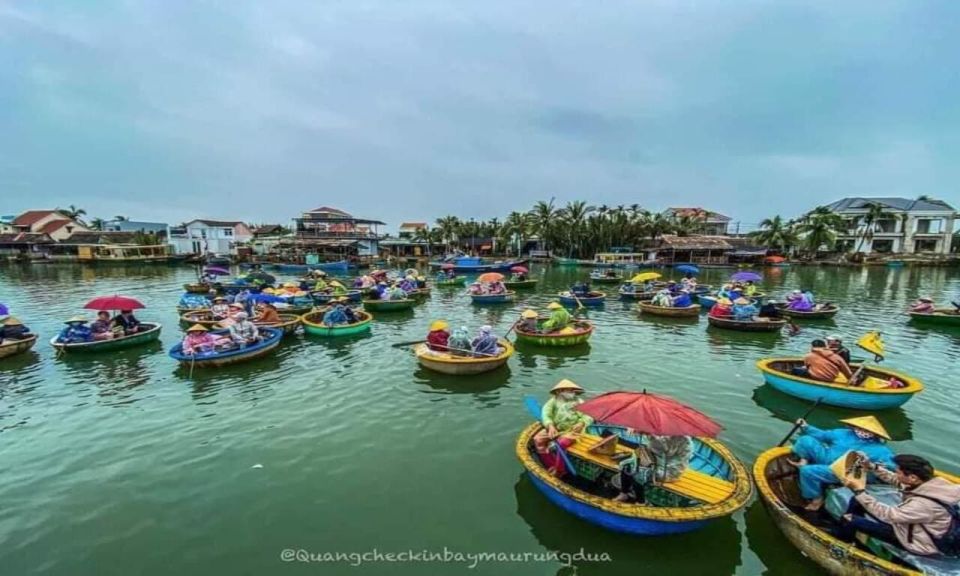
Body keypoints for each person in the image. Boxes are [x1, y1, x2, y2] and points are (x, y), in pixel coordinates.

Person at [837, 453, 960, 556]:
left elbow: (888, 515)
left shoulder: (922, 505)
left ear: (913, 477)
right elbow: (896, 480)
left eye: (898, 472)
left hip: (917, 542)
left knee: (849, 519)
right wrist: (872, 467)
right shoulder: (934, 484)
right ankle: (858, 531)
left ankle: (841, 548)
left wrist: (859, 491)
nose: (896, 474)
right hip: (913, 526)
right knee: (858, 500)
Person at [790, 415, 895, 511]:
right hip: (826, 457)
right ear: (855, 427)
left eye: (868, 430)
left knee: (807, 471)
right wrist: (806, 427)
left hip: (842, 471)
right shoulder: (843, 433)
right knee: (805, 440)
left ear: (875, 434)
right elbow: (822, 435)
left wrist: (878, 465)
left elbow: (891, 465)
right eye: (861, 428)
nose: (863, 431)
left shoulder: (881, 449)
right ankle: (804, 460)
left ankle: (816, 498)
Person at [534, 380, 594, 474]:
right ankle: (550, 464)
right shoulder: (553, 401)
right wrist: (550, 425)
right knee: (538, 440)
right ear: (559, 391)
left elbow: (589, 415)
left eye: (572, 390)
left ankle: (559, 470)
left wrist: (581, 423)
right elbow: (545, 414)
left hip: (573, 431)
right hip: (556, 428)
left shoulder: (579, 402)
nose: (571, 392)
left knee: (561, 443)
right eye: (568, 390)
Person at [615, 435, 693, 503]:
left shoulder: (684, 440)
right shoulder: (670, 434)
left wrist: (651, 436)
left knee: (639, 473)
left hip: (669, 471)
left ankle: (641, 501)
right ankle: (624, 494)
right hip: (658, 464)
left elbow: (662, 448)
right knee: (627, 466)